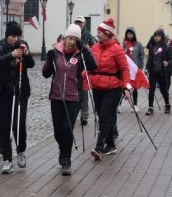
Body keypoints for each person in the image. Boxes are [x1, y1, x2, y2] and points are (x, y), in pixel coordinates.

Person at [43, 24, 96, 175]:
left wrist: (84, 47)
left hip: (73, 97)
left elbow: (93, 66)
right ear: (64, 38)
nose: (71, 42)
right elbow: (46, 74)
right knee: (58, 131)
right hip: (56, 96)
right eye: (69, 38)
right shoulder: (56, 52)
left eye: (74, 39)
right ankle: (62, 149)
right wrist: (48, 60)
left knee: (67, 128)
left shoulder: (80, 54)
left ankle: (67, 159)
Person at [0, 21, 35, 174]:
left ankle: (21, 150)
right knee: (4, 127)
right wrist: (11, 55)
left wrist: (27, 54)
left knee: (19, 125)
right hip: (3, 92)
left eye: (17, 36)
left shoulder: (23, 44)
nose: (15, 39)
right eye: (12, 36)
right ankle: (7, 159)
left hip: (20, 91)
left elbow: (31, 64)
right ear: (7, 36)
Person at [87, 18, 132, 159]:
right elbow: (89, 66)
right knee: (102, 115)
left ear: (107, 34)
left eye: (100, 32)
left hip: (113, 88)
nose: (97, 34)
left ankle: (99, 147)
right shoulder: (94, 48)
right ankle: (111, 144)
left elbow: (125, 69)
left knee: (105, 117)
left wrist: (126, 87)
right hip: (97, 87)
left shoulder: (117, 50)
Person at [144, 29, 172, 115]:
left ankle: (167, 104)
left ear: (161, 37)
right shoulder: (152, 46)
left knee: (163, 90)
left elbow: (171, 59)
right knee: (151, 90)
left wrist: (167, 62)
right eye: (155, 36)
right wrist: (146, 68)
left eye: (158, 36)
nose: (156, 38)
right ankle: (150, 107)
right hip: (153, 72)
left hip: (162, 72)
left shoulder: (166, 47)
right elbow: (149, 58)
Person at [74, 15, 92, 125]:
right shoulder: (72, 33)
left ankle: (84, 116)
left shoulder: (88, 36)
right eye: (77, 22)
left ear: (84, 24)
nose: (78, 24)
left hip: (84, 66)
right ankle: (74, 113)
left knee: (84, 92)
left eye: (80, 22)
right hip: (74, 65)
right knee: (74, 92)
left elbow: (93, 50)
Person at [122, 27, 144, 112]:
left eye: (131, 34)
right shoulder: (124, 44)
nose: (129, 35)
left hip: (134, 68)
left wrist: (140, 66)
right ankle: (119, 105)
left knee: (134, 87)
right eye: (128, 34)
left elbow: (141, 56)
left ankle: (135, 105)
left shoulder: (138, 44)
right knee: (124, 86)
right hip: (126, 68)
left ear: (134, 34)